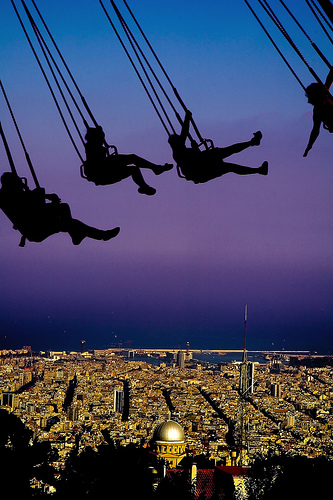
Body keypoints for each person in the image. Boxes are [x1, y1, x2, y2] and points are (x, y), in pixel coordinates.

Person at [0, 172, 120, 246]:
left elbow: (36, 207)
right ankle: (99, 235)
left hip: (38, 224)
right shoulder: (11, 197)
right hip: (35, 228)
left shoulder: (15, 196)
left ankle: (82, 233)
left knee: (70, 219)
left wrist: (49, 199)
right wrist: (45, 197)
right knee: (68, 217)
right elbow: (35, 208)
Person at [168, 110, 268, 184]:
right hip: (202, 171)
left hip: (205, 162)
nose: (182, 139)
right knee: (230, 166)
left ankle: (252, 143)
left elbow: (184, 133)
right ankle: (259, 170)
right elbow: (195, 160)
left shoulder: (180, 148)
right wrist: (195, 148)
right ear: (176, 143)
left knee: (228, 150)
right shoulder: (178, 154)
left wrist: (187, 118)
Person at [83, 126, 173, 195]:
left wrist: (100, 132)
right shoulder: (92, 148)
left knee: (133, 167)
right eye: (101, 138)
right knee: (132, 162)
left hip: (107, 171)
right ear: (96, 138)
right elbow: (99, 161)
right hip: (104, 174)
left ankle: (147, 181)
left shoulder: (94, 146)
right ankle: (153, 171)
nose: (103, 141)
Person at [303, 67, 333, 157]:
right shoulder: (317, 110)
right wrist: (309, 146)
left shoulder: (324, 98)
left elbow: (329, 79)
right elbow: (315, 130)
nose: (309, 101)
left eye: (310, 98)